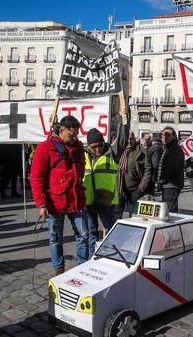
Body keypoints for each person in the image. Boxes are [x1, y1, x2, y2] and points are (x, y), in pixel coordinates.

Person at [30, 116, 88, 276]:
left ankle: (83, 267)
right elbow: (36, 178)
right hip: (55, 202)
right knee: (55, 238)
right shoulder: (45, 148)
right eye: (71, 135)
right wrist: (41, 204)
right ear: (61, 131)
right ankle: (59, 268)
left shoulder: (78, 146)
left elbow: (82, 167)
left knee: (83, 236)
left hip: (76, 200)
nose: (74, 138)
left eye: (76, 135)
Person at [83, 128, 122, 255]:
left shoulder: (112, 153)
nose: (98, 149)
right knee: (91, 231)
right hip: (88, 200)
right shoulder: (82, 155)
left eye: (100, 145)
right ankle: (93, 258)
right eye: (94, 147)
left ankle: (112, 256)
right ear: (88, 145)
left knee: (111, 231)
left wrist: (124, 119)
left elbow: (122, 140)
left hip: (106, 200)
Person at [118, 132, 153, 216]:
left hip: (134, 190)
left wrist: (141, 189)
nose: (129, 141)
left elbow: (148, 170)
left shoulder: (142, 152)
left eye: (131, 139)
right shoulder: (119, 150)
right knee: (116, 216)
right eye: (127, 139)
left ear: (135, 139)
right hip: (120, 189)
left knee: (133, 216)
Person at [156, 126, 185, 213]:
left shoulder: (175, 149)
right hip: (167, 185)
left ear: (174, 137)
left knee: (170, 211)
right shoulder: (167, 148)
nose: (164, 137)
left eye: (167, 135)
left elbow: (172, 168)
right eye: (163, 135)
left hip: (171, 185)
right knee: (166, 210)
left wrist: (161, 180)